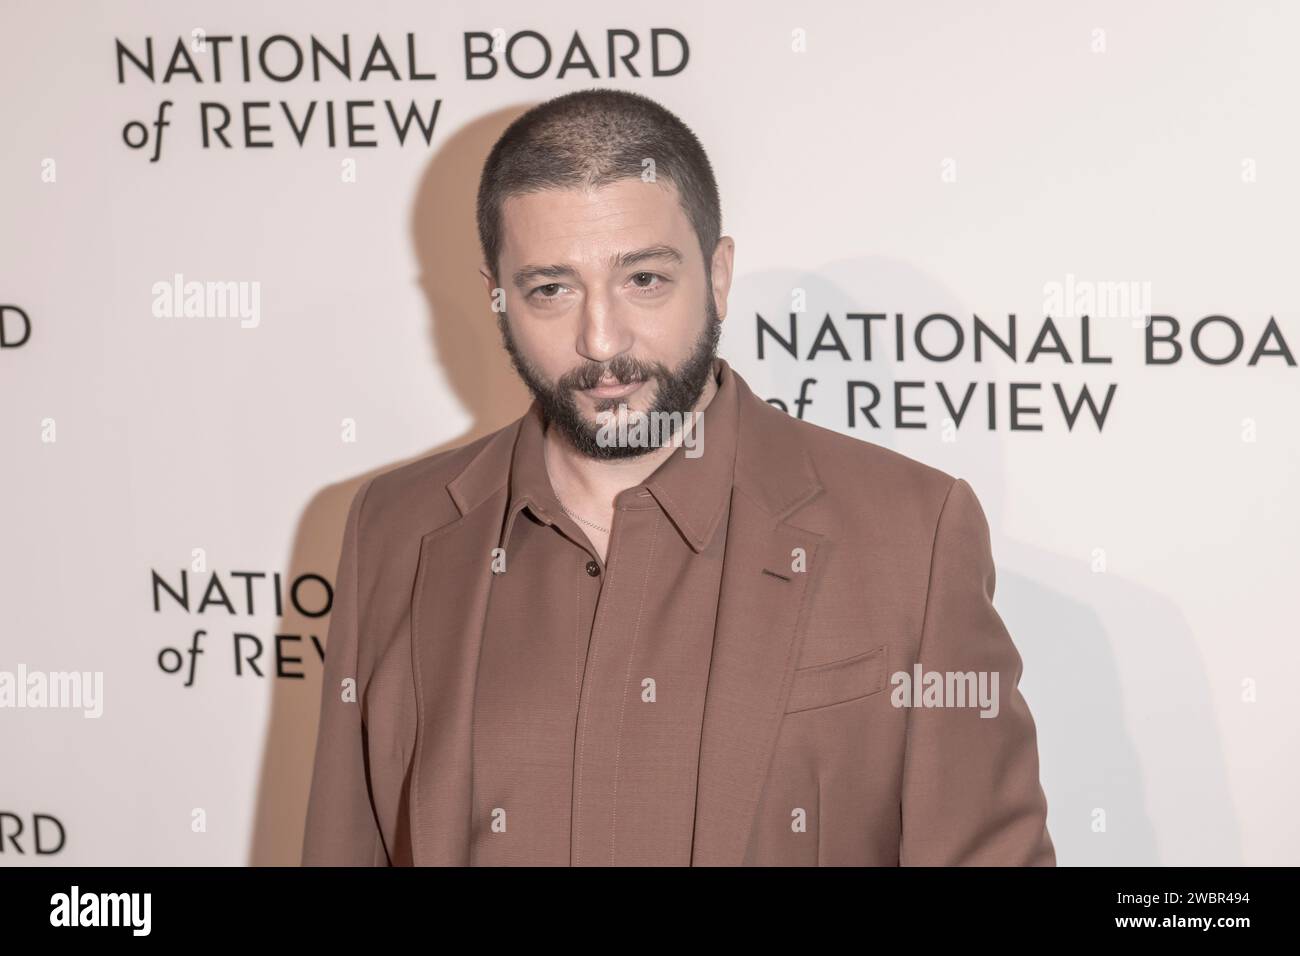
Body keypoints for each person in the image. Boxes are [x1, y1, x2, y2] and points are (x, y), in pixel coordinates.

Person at [301, 88, 1055, 866]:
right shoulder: (395, 527)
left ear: (718, 275)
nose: (601, 339)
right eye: (551, 288)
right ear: (498, 295)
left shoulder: (909, 533)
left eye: (645, 280)